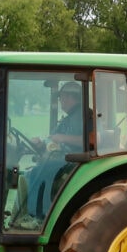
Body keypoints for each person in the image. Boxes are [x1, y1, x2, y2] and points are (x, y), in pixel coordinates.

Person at [13, 82, 87, 229]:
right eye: (60, 97)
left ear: (71, 97)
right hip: (64, 158)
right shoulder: (69, 117)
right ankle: (25, 214)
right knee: (30, 172)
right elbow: (53, 139)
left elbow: (91, 139)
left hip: (74, 161)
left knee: (39, 171)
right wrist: (41, 144)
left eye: (62, 97)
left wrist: (62, 138)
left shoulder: (82, 115)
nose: (61, 101)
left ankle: (38, 217)